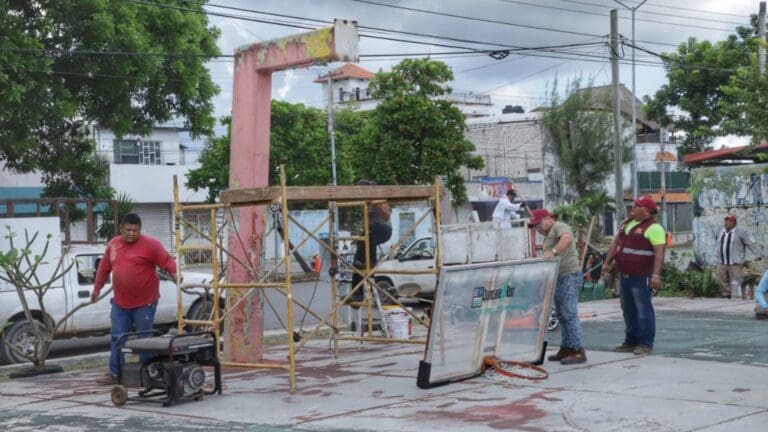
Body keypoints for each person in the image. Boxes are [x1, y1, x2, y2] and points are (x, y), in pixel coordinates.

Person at [91, 213, 179, 384]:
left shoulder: (151, 245)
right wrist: (96, 289)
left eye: (135, 230)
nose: (131, 233)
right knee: (118, 337)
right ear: (121, 228)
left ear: (140, 230)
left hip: (145, 303)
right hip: (121, 303)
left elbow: (167, 261)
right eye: (128, 230)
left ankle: (146, 373)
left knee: (144, 340)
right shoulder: (113, 245)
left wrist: (175, 274)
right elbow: (103, 269)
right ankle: (115, 373)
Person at [602, 196, 665, 356]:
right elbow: (615, 243)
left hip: (641, 276)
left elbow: (659, 253)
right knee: (628, 310)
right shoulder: (627, 224)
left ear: (647, 210)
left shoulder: (654, 228)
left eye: (637, 206)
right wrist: (607, 262)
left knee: (644, 311)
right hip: (624, 276)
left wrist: (656, 275)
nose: (633, 208)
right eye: (633, 206)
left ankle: (645, 344)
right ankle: (630, 341)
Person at [528, 208, 587, 365]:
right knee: (562, 315)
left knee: (569, 313)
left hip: (569, 275)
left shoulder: (559, 226)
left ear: (548, 219)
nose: (537, 229)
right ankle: (567, 347)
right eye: (535, 227)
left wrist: (553, 251)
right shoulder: (549, 235)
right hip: (559, 277)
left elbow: (566, 238)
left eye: (538, 225)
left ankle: (577, 350)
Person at [348, 180, 393, 303]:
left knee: (369, 231)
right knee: (358, 261)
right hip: (370, 232)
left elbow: (387, 216)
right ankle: (357, 293)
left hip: (383, 230)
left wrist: (375, 203)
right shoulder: (363, 201)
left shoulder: (380, 198)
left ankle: (372, 262)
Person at [715, 214, 762, 299]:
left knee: (736, 281)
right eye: (726, 221)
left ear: (735, 223)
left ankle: (737, 296)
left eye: (730, 221)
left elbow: (749, 244)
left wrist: (757, 254)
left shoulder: (740, 232)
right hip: (722, 261)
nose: (727, 222)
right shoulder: (720, 231)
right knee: (721, 279)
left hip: (735, 262)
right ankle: (727, 295)